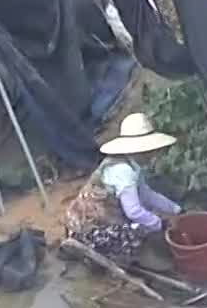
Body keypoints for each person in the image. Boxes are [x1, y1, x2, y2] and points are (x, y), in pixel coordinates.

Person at [65, 112, 185, 263]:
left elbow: (146, 194)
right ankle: (115, 257)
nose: (154, 154)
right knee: (140, 231)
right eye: (151, 151)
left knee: (148, 218)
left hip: (97, 219)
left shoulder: (132, 164)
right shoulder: (124, 170)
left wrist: (176, 210)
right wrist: (161, 224)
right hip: (88, 231)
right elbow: (133, 211)